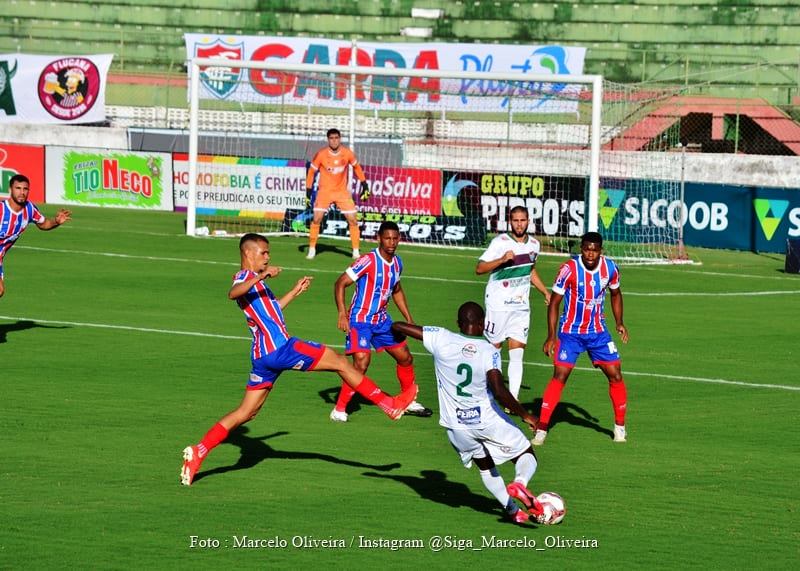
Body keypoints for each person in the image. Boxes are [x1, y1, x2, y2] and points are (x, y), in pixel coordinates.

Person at [180, 233, 418, 486]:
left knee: (246, 412)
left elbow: (271, 312)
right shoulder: (245, 278)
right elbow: (232, 292)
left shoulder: (255, 284)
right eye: (264, 253)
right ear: (248, 254)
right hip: (282, 348)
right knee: (340, 362)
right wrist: (262, 275)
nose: (268, 257)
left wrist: (294, 292)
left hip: (263, 358)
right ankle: (388, 404)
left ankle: (199, 452)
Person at [392, 301, 546, 524]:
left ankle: (513, 511)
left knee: (485, 466)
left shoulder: (441, 337)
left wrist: (394, 333)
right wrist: (526, 415)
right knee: (524, 453)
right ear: (483, 324)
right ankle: (520, 483)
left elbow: (399, 325)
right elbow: (499, 390)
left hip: (456, 427)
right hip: (486, 419)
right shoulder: (488, 350)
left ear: (458, 323)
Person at [533, 231, 629, 446]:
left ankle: (620, 427)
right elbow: (555, 303)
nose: (590, 254)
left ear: (601, 250)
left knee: (615, 374)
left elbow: (616, 294)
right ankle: (542, 428)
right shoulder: (569, 269)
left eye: (594, 250)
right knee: (560, 375)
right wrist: (551, 336)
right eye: (586, 249)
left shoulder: (610, 268)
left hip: (598, 332)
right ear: (581, 249)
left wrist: (619, 322)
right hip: (571, 333)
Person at [330, 221, 432, 421]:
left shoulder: (397, 263)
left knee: (405, 357)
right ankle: (339, 409)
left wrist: (409, 319)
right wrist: (342, 313)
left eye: (395, 238)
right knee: (361, 362)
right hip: (360, 320)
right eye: (387, 238)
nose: (391, 242)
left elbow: (397, 290)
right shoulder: (368, 260)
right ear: (379, 238)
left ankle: (408, 400)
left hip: (382, 320)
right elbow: (340, 283)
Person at [475, 205, 550, 401]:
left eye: (522, 220)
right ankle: (492, 393)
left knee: (517, 353)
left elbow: (530, 270)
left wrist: (544, 291)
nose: (519, 224)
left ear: (528, 221)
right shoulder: (500, 242)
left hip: (520, 307)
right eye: (515, 220)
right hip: (498, 305)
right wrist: (501, 259)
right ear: (510, 221)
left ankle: (512, 399)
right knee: (494, 350)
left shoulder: (534, 244)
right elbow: (480, 268)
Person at [1, 174, 71, 298]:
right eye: (18, 188)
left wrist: (56, 221)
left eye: (25, 189)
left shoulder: (29, 209)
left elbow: (43, 224)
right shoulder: (1, 210)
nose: (22, 192)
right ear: (10, 190)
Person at [305, 128, 370, 260]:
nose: (334, 140)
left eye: (336, 138)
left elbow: (357, 167)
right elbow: (311, 173)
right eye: (331, 138)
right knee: (316, 219)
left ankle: (356, 251)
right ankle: (312, 249)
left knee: (353, 220)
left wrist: (364, 185)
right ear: (328, 140)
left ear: (340, 139)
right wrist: (308, 191)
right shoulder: (321, 154)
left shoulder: (347, 153)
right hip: (325, 192)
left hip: (341, 192)